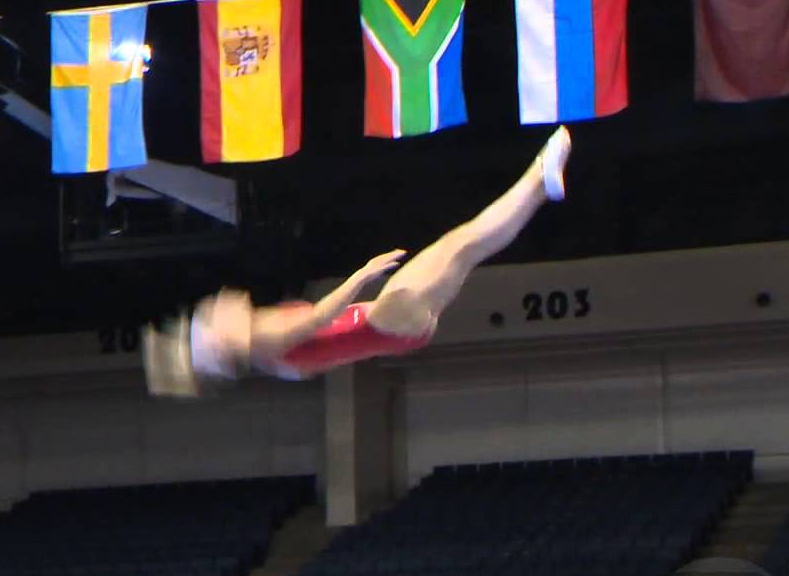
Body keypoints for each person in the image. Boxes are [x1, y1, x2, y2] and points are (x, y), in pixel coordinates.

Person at [143, 126, 572, 397]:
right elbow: (319, 317)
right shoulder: (265, 339)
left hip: (388, 327)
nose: (220, 299)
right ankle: (537, 179)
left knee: (464, 243)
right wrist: (362, 275)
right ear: (227, 342)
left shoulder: (265, 351)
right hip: (384, 319)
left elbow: (321, 350)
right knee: (463, 245)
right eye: (215, 314)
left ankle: (539, 181)